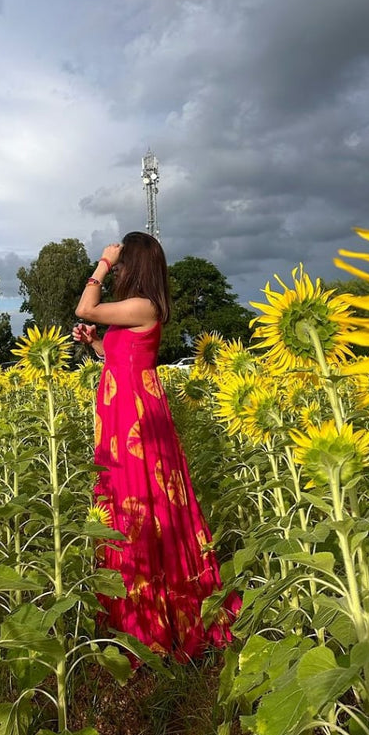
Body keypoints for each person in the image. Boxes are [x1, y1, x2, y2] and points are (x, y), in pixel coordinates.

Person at [74, 232, 240, 660]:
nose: (119, 268)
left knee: (145, 505)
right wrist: (94, 342)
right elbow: (118, 357)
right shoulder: (131, 313)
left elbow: (85, 305)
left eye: (124, 261)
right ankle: (129, 611)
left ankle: (155, 621)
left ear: (136, 265)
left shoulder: (145, 304)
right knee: (126, 501)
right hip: (120, 418)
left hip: (137, 422)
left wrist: (102, 264)